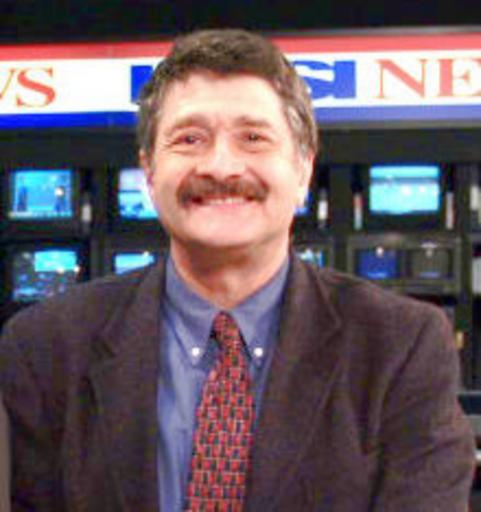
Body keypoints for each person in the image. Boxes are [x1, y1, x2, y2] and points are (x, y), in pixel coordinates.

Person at [0, 28, 475, 512]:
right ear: (149, 172)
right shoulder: (45, 347)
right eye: (190, 139)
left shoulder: (401, 346)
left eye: (253, 138)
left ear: (303, 169)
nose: (221, 166)